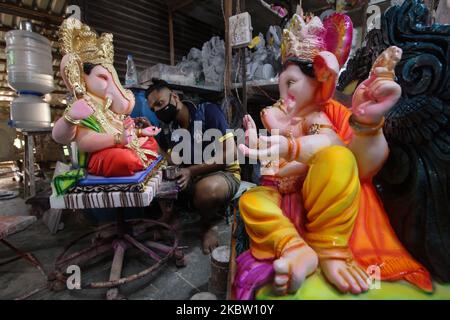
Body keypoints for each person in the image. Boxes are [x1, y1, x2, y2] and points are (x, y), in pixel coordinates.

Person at [146, 79, 241, 254]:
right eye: (153, 109)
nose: (158, 110)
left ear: (174, 97)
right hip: (192, 176)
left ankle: (208, 226)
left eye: (160, 103)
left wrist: (191, 171)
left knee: (206, 189)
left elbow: (231, 154)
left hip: (223, 174)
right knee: (152, 178)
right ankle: (171, 218)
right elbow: (172, 161)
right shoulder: (169, 127)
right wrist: (150, 139)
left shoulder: (207, 111)